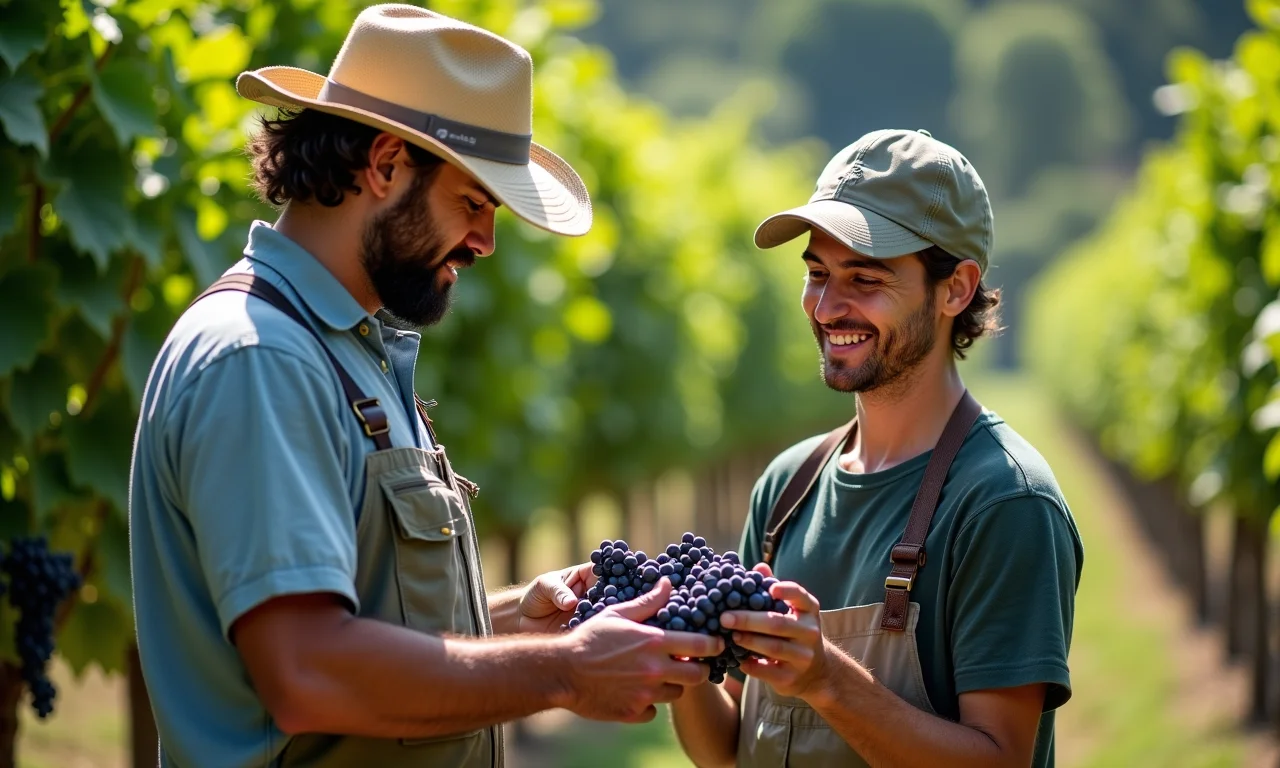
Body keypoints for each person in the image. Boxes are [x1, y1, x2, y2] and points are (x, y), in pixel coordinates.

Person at [127, 6, 719, 767]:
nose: (486, 242)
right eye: (473, 202)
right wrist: (566, 672)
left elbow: (366, 614)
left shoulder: (343, 350)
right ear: (383, 166)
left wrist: (512, 621)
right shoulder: (262, 361)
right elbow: (308, 669)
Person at [670, 129, 1084, 768]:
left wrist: (826, 679)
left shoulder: (1005, 503)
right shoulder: (786, 487)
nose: (828, 307)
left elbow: (1000, 758)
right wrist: (680, 656)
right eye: (817, 274)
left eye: (864, 278)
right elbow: (728, 752)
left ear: (955, 289)